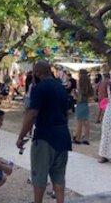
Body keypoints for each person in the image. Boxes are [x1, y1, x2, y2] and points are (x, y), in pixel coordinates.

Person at [17, 60, 71, 203]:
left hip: (45, 137)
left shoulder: (39, 88)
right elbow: (66, 113)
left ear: (37, 74)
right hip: (62, 135)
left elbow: (32, 114)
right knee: (59, 176)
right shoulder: (61, 87)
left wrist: (21, 136)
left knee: (39, 176)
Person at [74, 69, 94, 145]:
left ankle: (77, 138)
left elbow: (78, 97)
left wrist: (75, 94)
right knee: (86, 121)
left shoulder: (80, 83)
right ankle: (86, 139)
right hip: (85, 104)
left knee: (79, 121)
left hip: (80, 104)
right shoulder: (88, 84)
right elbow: (90, 95)